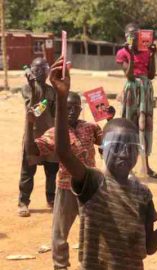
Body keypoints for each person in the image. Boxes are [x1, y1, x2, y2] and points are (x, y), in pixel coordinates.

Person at [49, 57, 157, 270]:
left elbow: (149, 246)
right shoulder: (93, 181)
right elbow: (63, 151)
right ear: (102, 150)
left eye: (131, 146)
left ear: (138, 152)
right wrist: (61, 98)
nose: (124, 153)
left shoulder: (143, 194)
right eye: (117, 146)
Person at [23, 91, 102, 269]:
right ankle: (60, 265)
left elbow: (105, 142)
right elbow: (32, 150)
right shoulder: (54, 133)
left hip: (90, 188)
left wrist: (110, 118)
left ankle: (90, 264)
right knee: (59, 234)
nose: (72, 111)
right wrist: (29, 124)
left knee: (92, 231)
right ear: (60, 109)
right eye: (67, 107)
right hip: (66, 187)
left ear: (81, 109)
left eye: (76, 107)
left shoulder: (90, 127)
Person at [116, 22, 157, 178]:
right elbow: (129, 75)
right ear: (126, 36)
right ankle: (128, 168)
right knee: (129, 126)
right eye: (130, 34)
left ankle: (146, 167)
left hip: (146, 90)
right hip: (132, 89)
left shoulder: (147, 52)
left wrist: (153, 55)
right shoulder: (122, 52)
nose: (133, 37)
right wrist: (131, 55)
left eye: (136, 34)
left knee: (145, 127)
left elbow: (151, 75)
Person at [18, 57, 59, 217]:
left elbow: (55, 112)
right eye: (37, 69)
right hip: (32, 135)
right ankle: (23, 202)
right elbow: (33, 109)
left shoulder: (51, 90)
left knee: (52, 171)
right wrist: (33, 86)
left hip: (49, 135)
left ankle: (51, 199)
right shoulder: (27, 88)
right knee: (28, 171)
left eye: (44, 68)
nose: (41, 72)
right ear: (32, 71)